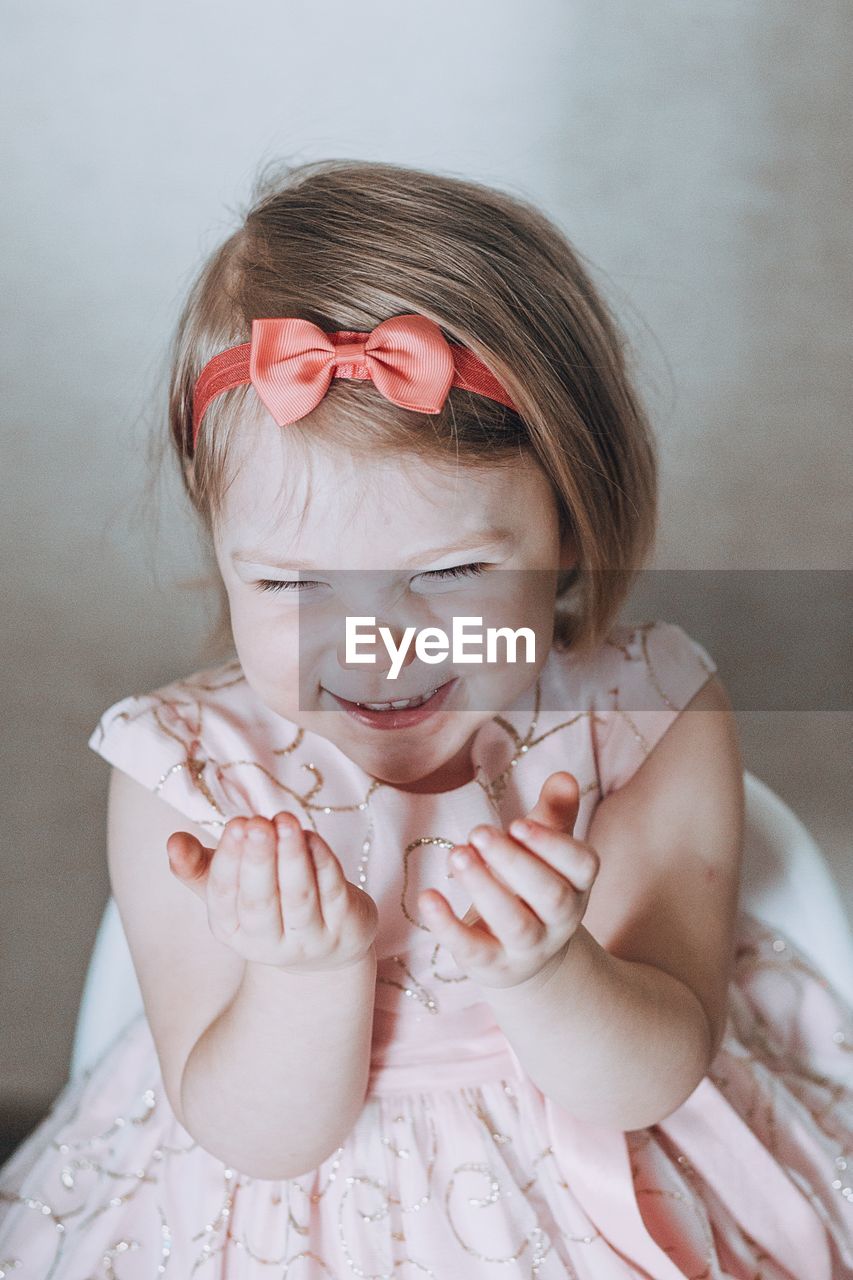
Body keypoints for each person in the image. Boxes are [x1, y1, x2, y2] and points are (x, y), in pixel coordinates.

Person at [1, 158, 850, 1278]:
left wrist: (550, 969)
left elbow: (652, 1076)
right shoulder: (188, 769)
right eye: (295, 585)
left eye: (448, 572)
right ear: (219, 546)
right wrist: (303, 971)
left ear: (567, 515)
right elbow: (256, 1136)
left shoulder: (645, 720)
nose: (374, 642)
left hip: (608, 1193)